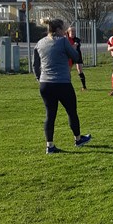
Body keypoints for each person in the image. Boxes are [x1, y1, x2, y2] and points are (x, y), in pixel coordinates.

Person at [32, 19, 91, 154]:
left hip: (45, 84)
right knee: (71, 111)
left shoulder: (40, 43)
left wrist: (39, 78)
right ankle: (78, 139)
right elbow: (75, 57)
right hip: (62, 82)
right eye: (63, 28)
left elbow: (35, 64)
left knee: (50, 114)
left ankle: (50, 146)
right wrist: (74, 47)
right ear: (58, 29)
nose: (65, 31)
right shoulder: (63, 41)